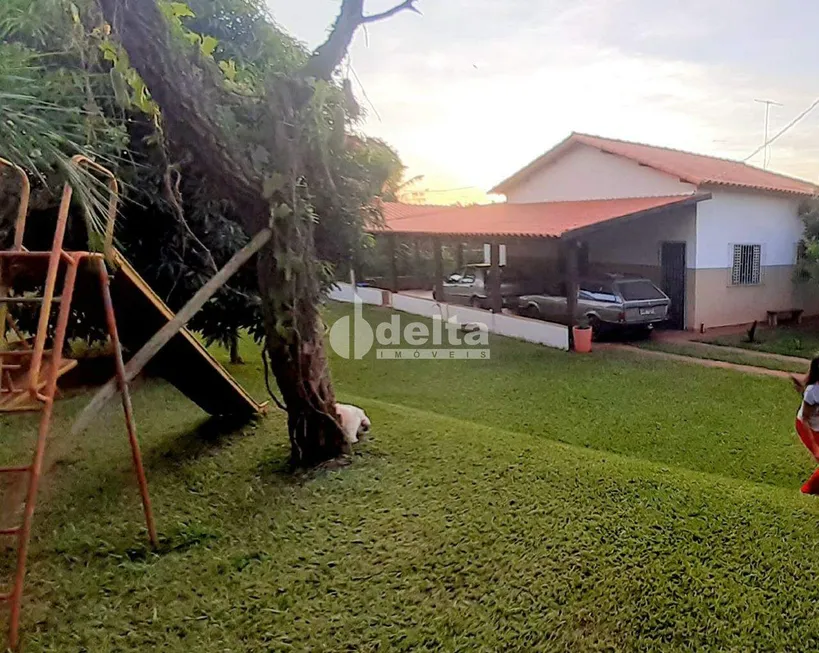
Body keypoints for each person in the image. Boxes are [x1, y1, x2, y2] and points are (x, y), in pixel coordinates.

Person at [792, 356, 819, 493]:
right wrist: (814, 447)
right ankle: (807, 490)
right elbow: (805, 419)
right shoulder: (813, 392)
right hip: (807, 427)